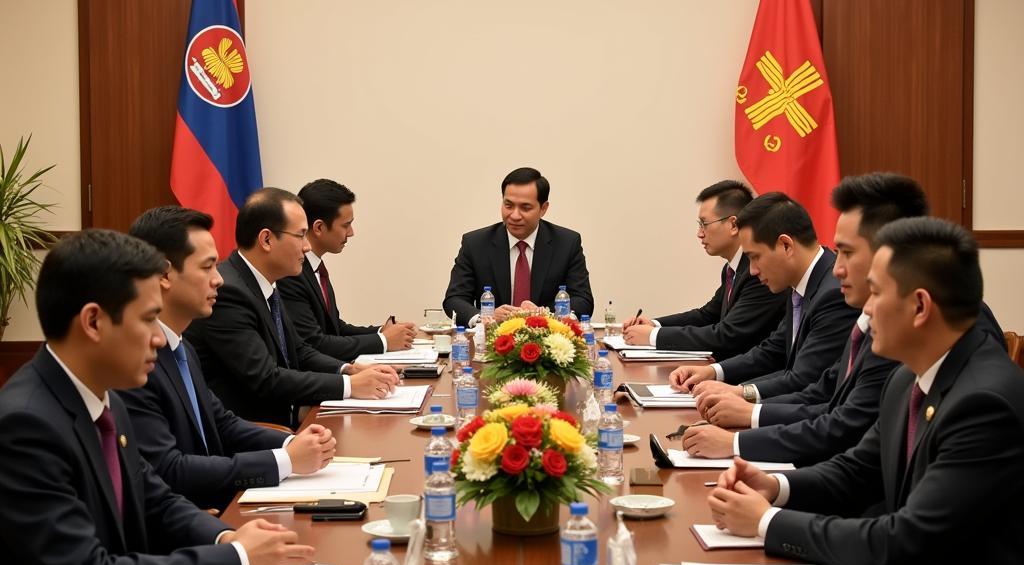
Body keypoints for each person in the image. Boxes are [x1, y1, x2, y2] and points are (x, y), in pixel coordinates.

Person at [0, 230, 313, 565]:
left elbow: (154, 495)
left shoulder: (100, 394)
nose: (158, 338)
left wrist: (225, 538)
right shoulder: (26, 424)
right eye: (147, 319)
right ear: (94, 322)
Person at [708, 217, 1024, 565]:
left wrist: (768, 523)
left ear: (920, 306)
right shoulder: (909, 379)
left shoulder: (985, 402)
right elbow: (856, 471)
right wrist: (773, 486)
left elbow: (905, 539)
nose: (865, 309)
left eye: (876, 294)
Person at [678, 173, 925, 463]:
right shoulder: (821, 296)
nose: (838, 268)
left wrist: (741, 430)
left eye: (847, 252)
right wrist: (738, 395)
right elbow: (822, 389)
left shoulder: (841, 300)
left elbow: (832, 415)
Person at [122, 206, 337, 511]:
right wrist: (285, 461)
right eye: (207, 267)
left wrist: (292, 445)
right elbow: (171, 468)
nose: (219, 280)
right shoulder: (135, 363)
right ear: (165, 275)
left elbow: (222, 423)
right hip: (194, 516)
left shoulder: (182, 348)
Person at [186, 188, 398, 427]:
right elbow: (266, 378)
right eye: (300, 236)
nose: (307, 247)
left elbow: (300, 350)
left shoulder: (266, 284)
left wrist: (348, 370)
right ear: (266, 240)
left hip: (290, 419)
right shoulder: (229, 292)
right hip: (253, 433)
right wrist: (349, 386)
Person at [669, 191, 857, 402]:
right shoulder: (800, 283)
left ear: (786, 245)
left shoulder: (834, 293)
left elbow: (804, 380)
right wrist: (713, 371)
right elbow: (772, 351)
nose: (752, 271)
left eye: (755, 257)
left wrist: (740, 393)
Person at [621, 180, 786, 359]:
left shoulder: (759, 272)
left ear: (733, 225)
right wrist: (655, 324)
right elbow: (708, 315)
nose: (699, 233)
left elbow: (727, 334)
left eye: (705, 224)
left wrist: (652, 336)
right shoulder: (732, 269)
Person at [278, 179, 417, 361]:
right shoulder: (292, 273)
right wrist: (383, 341)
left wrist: (381, 331)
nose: (351, 232)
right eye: (345, 225)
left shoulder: (315, 268)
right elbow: (314, 343)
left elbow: (336, 329)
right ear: (319, 227)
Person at [442, 167, 594, 325]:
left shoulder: (567, 243)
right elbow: (455, 299)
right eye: (508, 205)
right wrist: (485, 318)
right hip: (492, 342)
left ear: (543, 208)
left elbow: (583, 300)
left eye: (525, 208)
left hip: (547, 339)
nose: (514, 215)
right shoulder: (475, 244)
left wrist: (546, 315)